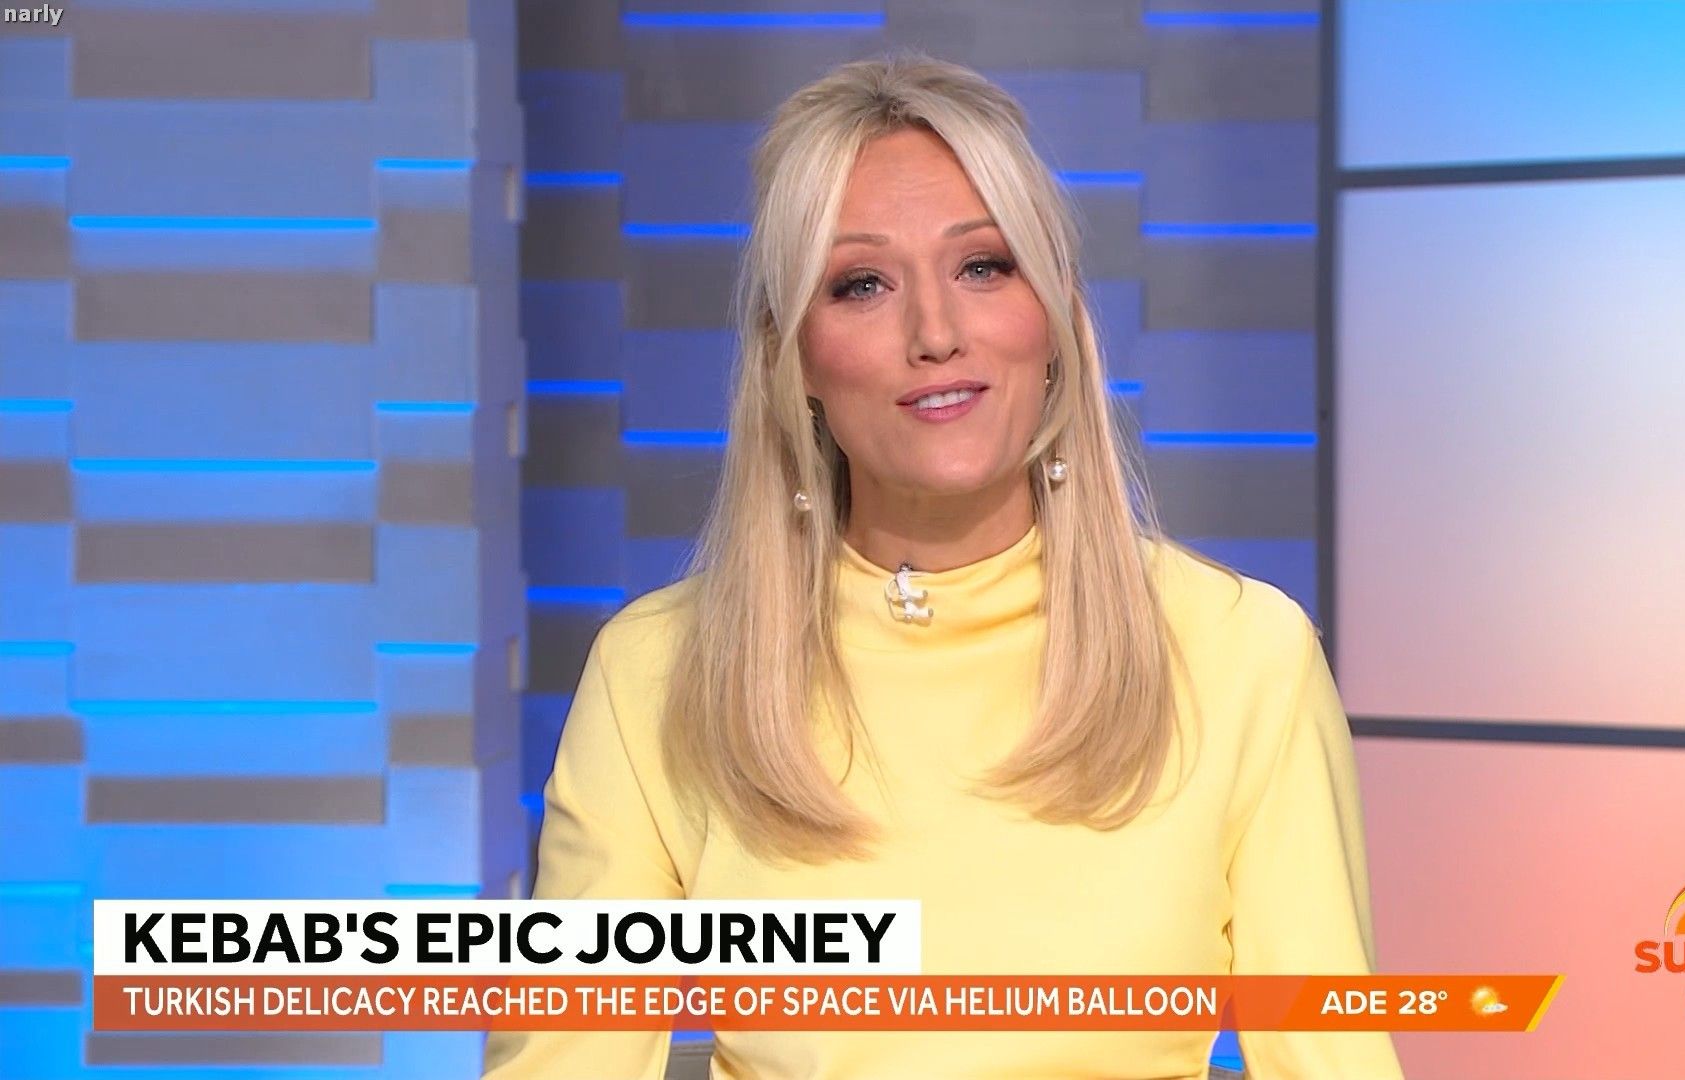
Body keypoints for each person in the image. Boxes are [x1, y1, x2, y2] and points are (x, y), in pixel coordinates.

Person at [484, 50, 1403, 1080]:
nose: (936, 333)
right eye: (862, 284)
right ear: (793, 357)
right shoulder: (655, 673)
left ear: (1056, 316)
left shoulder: (1241, 654)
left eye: (983, 266)